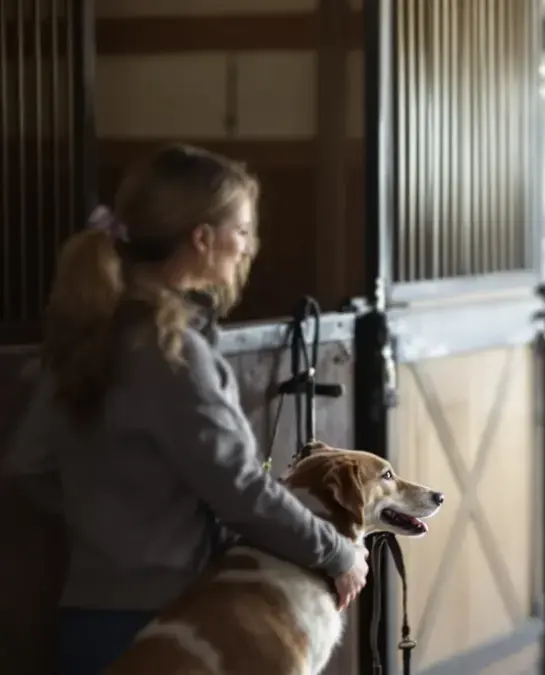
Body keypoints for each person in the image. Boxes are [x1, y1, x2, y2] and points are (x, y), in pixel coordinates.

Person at [0, 144, 370, 675]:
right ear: (202, 238)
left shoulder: (89, 331)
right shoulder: (172, 351)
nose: (247, 247)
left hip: (87, 618)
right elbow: (239, 488)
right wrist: (337, 552)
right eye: (240, 231)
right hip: (172, 622)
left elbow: (29, 466)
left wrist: (111, 517)